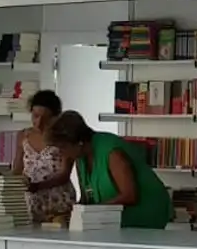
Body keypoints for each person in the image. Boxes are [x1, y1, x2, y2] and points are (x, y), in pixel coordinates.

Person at [48, 111, 173, 229]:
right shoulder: (80, 158)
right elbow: (87, 200)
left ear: (79, 142)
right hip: (117, 220)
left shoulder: (112, 152)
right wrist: (69, 214)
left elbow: (129, 196)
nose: (61, 153)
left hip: (147, 213)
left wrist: (91, 212)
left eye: (63, 147)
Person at [21, 90, 76, 223]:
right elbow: (17, 170)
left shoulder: (64, 137)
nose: (38, 123)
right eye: (35, 116)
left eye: (45, 119)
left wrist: (39, 186)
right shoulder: (23, 136)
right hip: (31, 203)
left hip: (58, 202)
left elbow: (64, 174)